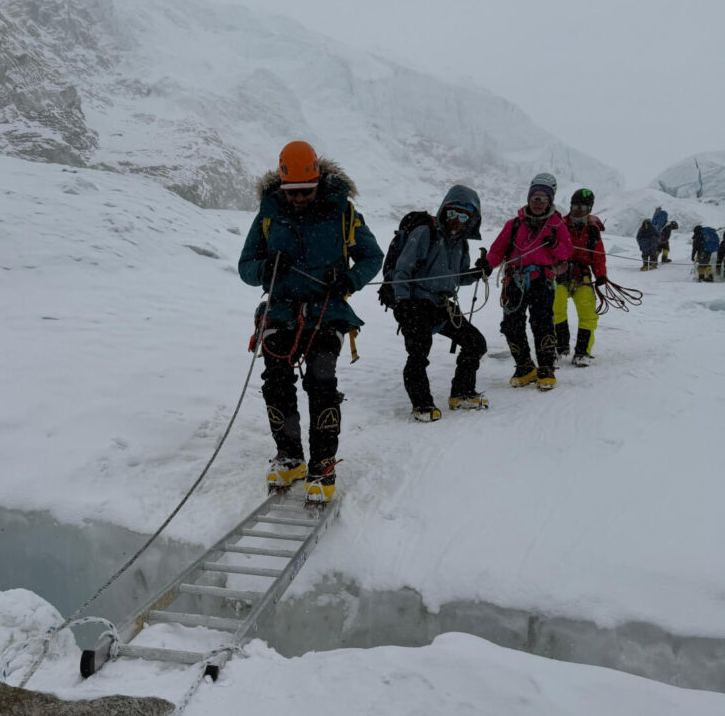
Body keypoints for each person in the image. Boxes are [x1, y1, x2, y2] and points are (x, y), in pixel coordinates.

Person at [239, 141, 382, 504]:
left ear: (318, 182)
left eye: (305, 191)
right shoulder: (269, 214)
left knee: (321, 383)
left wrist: (349, 281)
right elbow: (246, 267)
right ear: (282, 187)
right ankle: (290, 458)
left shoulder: (343, 211)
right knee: (276, 383)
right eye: (292, 192)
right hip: (282, 310)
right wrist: (265, 269)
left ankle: (322, 465)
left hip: (326, 311)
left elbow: (371, 256)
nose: (299, 198)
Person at [390, 185, 487, 421]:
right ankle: (422, 404)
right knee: (418, 354)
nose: (456, 220)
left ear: (471, 220)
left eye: (463, 216)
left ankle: (462, 393)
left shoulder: (461, 244)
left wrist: (478, 272)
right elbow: (402, 271)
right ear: (444, 211)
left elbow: (458, 277)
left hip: (443, 307)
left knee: (475, 343)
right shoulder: (425, 233)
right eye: (452, 213)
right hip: (415, 305)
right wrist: (402, 303)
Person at [486, 173, 572, 391]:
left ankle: (546, 367)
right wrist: (487, 265)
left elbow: (566, 253)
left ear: (550, 201)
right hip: (514, 280)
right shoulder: (514, 224)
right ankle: (524, 366)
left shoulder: (556, 226)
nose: (538, 202)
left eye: (543, 198)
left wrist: (552, 244)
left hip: (542, 281)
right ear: (529, 198)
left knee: (542, 323)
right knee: (511, 325)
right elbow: (497, 250)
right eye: (535, 197)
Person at [554, 188, 608, 366]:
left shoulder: (593, 230)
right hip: (559, 274)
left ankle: (582, 351)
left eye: (583, 206)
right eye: (575, 205)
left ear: (590, 208)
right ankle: (560, 346)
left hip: (582, 275)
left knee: (588, 313)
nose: (578, 209)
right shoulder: (559, 225)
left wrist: (601, 275)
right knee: (555, 309)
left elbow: (598, 255)